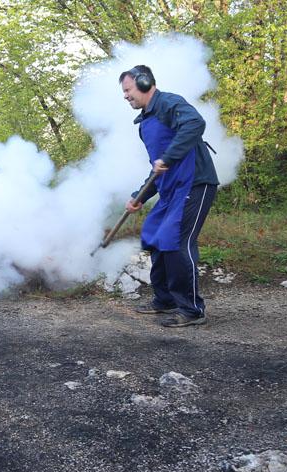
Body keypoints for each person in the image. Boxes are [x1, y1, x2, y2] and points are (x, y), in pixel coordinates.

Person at [120, 65, 219, 328]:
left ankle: (192, 310)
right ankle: (165, 300)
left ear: (144, 83)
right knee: (155, 238)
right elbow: (157, 168)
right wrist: (139, 195)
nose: (125, 96)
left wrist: (170, 156)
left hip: (194, 184)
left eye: (128, 90)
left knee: (176, 241)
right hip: (170, 190)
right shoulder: (145, 123)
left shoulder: (168, 103)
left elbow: (195, 123)